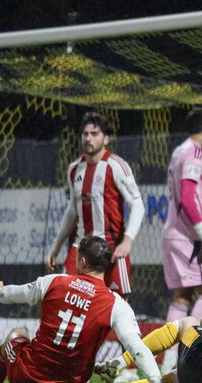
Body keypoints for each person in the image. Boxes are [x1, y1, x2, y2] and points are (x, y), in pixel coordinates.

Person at [0, 236, 181, 383]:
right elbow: (138, 349)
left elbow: (11, 294)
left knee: (16, 335)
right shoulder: (117, 305)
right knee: (82, 363)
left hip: (29, 377)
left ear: (81, 262)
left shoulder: (53, 282)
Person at [46, 111, 144, 301]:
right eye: (85, 134)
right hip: (81, 245)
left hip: (111, 247)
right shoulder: (74, 169)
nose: (88, 138)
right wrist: (55, 247)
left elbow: (138, 205)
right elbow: (72, 210)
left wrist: (127, 241)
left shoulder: (116, 166)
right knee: (65, 297)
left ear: (106, 139)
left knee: (118, 305)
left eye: (94, 134)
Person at [158, 107, 202, 375]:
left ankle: (169, 361)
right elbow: (187, 199)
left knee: (183, 297)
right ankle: (184, 354)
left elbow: (182, 199)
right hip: (189, 238)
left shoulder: (179, 151)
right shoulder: (195, 154)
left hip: (175, 232)